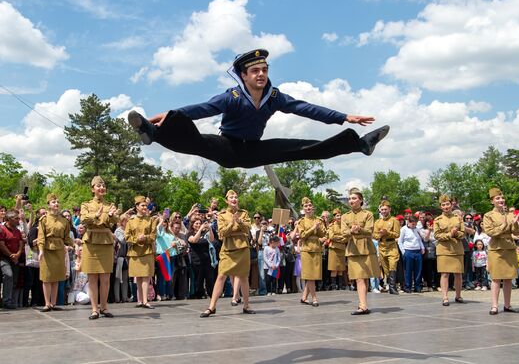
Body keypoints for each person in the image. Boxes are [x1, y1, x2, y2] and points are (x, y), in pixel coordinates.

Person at [128, 49, 389, 169]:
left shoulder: (275, 97)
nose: (261, 74)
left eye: (264, 69)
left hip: (254, 150)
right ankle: (153, 132)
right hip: (227, 147)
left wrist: (344, 117)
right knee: (194, 137)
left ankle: (360, 145)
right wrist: (171, 115)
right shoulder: (230, 97)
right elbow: (203, 109)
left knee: (301, 147)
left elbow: (305, 108)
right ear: (243, 75)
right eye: (255, 71)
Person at [200, 190, 254, 317]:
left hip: (242, 248)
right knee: (221, 276)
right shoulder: (222, 215)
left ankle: (246, 306)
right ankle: (211, 307)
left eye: (236, 197)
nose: (234, 199)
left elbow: (248, 228)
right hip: (228, 249)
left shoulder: (244, 213)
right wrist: (232, 223)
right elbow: (222, 233)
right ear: (227, 200)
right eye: (231, 197)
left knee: (244, 277)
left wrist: (240, 222)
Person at [80, 176, 119, 319]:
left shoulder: (110, 205)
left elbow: (115, 220)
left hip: (105, 241)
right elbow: (84, 219)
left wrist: (111, 215)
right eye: (98, 186)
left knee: (105, 278)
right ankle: (94, 309)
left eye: (103, 185)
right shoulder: (86, 204)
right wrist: (96, 215)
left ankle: (104, 307)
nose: (101, 188)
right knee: (92, 278)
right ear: (92, 189)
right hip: (91, 242)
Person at [483, 188, 519, 315]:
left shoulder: (510, 214)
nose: (501, 200)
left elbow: (518, 232)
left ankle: (507, 305)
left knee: (508, 278)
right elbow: (491, 232)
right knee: (496, 278)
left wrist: (516, 224)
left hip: (509, 247)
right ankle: (494, 306)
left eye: (502, 198)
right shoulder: (488, 215)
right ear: (492, 201)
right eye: (498, 198)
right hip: (497, 248)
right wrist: (504, 225)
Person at [341, 188, 379, 315]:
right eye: (350, 198)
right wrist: (351, 231)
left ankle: (363, 305)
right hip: (353, 249)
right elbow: (343, 233)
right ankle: (363, 305)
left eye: (354, 198)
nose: (351, 200)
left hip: (366, 248)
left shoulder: (368, 214)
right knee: (359, 278)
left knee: (365, 277)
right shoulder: (345, 216)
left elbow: (369, 230)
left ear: (361, 200)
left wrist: (360, 229)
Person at [37, 194, 74, 312]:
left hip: (59, 249)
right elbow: (41, 236)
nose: (56, 203)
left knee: (57, 277)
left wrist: (73, 245)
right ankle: (47, 303)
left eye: (57, 202)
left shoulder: (64, 220)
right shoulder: (44, 219)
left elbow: (67, 237)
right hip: (47, 249)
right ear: (48, 204)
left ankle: (53, 303)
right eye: (53, 202)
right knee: (47, 277)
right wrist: (41, 250)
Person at [125, 196, 157, 309]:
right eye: (142, 205)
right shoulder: (130, 221)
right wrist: (136, 239)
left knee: (146, 276)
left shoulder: (151, 220)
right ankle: (139, 300)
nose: (145, 207)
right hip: (134, 252)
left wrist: (145, 238)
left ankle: (145, 300)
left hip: (147, 251)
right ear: (137, 207)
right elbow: (127, 236)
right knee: (137, 277)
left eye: (145, 205)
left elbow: (153, 236)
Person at [433, 195, 465, 306]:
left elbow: (463, 233)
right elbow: (437, 235)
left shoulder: (458, 218)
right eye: (443, 205)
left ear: (451, 205)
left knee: (458, 274)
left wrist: (457, 233)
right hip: (444, 249)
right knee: (444, 274)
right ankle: (445, 297)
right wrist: (449, 234)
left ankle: (458, 295)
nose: (446, 206)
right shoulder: (437, 220)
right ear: (440, 207)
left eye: (447, 204)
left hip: (457, 248)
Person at [296, 197, 326, 307]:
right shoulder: (301, 221)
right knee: (310, 276)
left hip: (316, 249)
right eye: (306, 206)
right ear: (303, 209)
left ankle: (304, 297)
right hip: (307, 250)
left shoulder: (318, 220)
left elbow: (323, 234)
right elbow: (302, 235)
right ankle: (314, 298)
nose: (308, 208)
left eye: (310, 206)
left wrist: (317, 228)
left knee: (314, 275)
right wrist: (312, 228)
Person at [373, 200, 401, 295]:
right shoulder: (377, 222)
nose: (384, 211)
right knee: (385, 268)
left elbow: (397, 234)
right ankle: (389, 285)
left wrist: (387, 233)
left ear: (389, 209)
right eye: (382, 209)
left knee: (393, 265)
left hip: (391, 246)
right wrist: (380, 235)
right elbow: (374, 235)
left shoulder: (394, 220)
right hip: (381, 246)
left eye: (385, 209)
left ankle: (393, 287)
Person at [0, 209, 25, 309]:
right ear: (9, 219)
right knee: (8, 275)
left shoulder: (17, 230)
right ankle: (6, 301)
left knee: (14, 280)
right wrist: (11, 255)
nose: (19, 220)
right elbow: (1, 245)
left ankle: (11, 301)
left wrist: (18, 254)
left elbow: (20, 243)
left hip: (15, 258)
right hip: (3, 258)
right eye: (16, 218)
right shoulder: (2, 229)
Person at [398, 215, 425, 293]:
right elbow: (400, 241)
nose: (414, 225)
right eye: (413, 224)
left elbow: (419, 240)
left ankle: (417, 286)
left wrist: (422, 248)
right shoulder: (403, 229)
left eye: (415, 224)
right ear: (408, 222)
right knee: (408, 270)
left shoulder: (417, 229)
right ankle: (407, 286)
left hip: (417, 251)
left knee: (418, 270)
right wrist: (404, 252)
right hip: (408, 251)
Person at [327, 208, 347, 290]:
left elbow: (346, 236)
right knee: (334, 268)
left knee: (341, 268)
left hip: (342, 248)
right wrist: (341, 238)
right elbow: (331, 236)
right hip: (334, 248)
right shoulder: (331, 226)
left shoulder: (344, 226)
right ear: (334, 217)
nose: (339, 217)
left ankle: (341, 285)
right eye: (337, 216)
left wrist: (338, 238)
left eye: (340, 215)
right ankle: (334, 285)